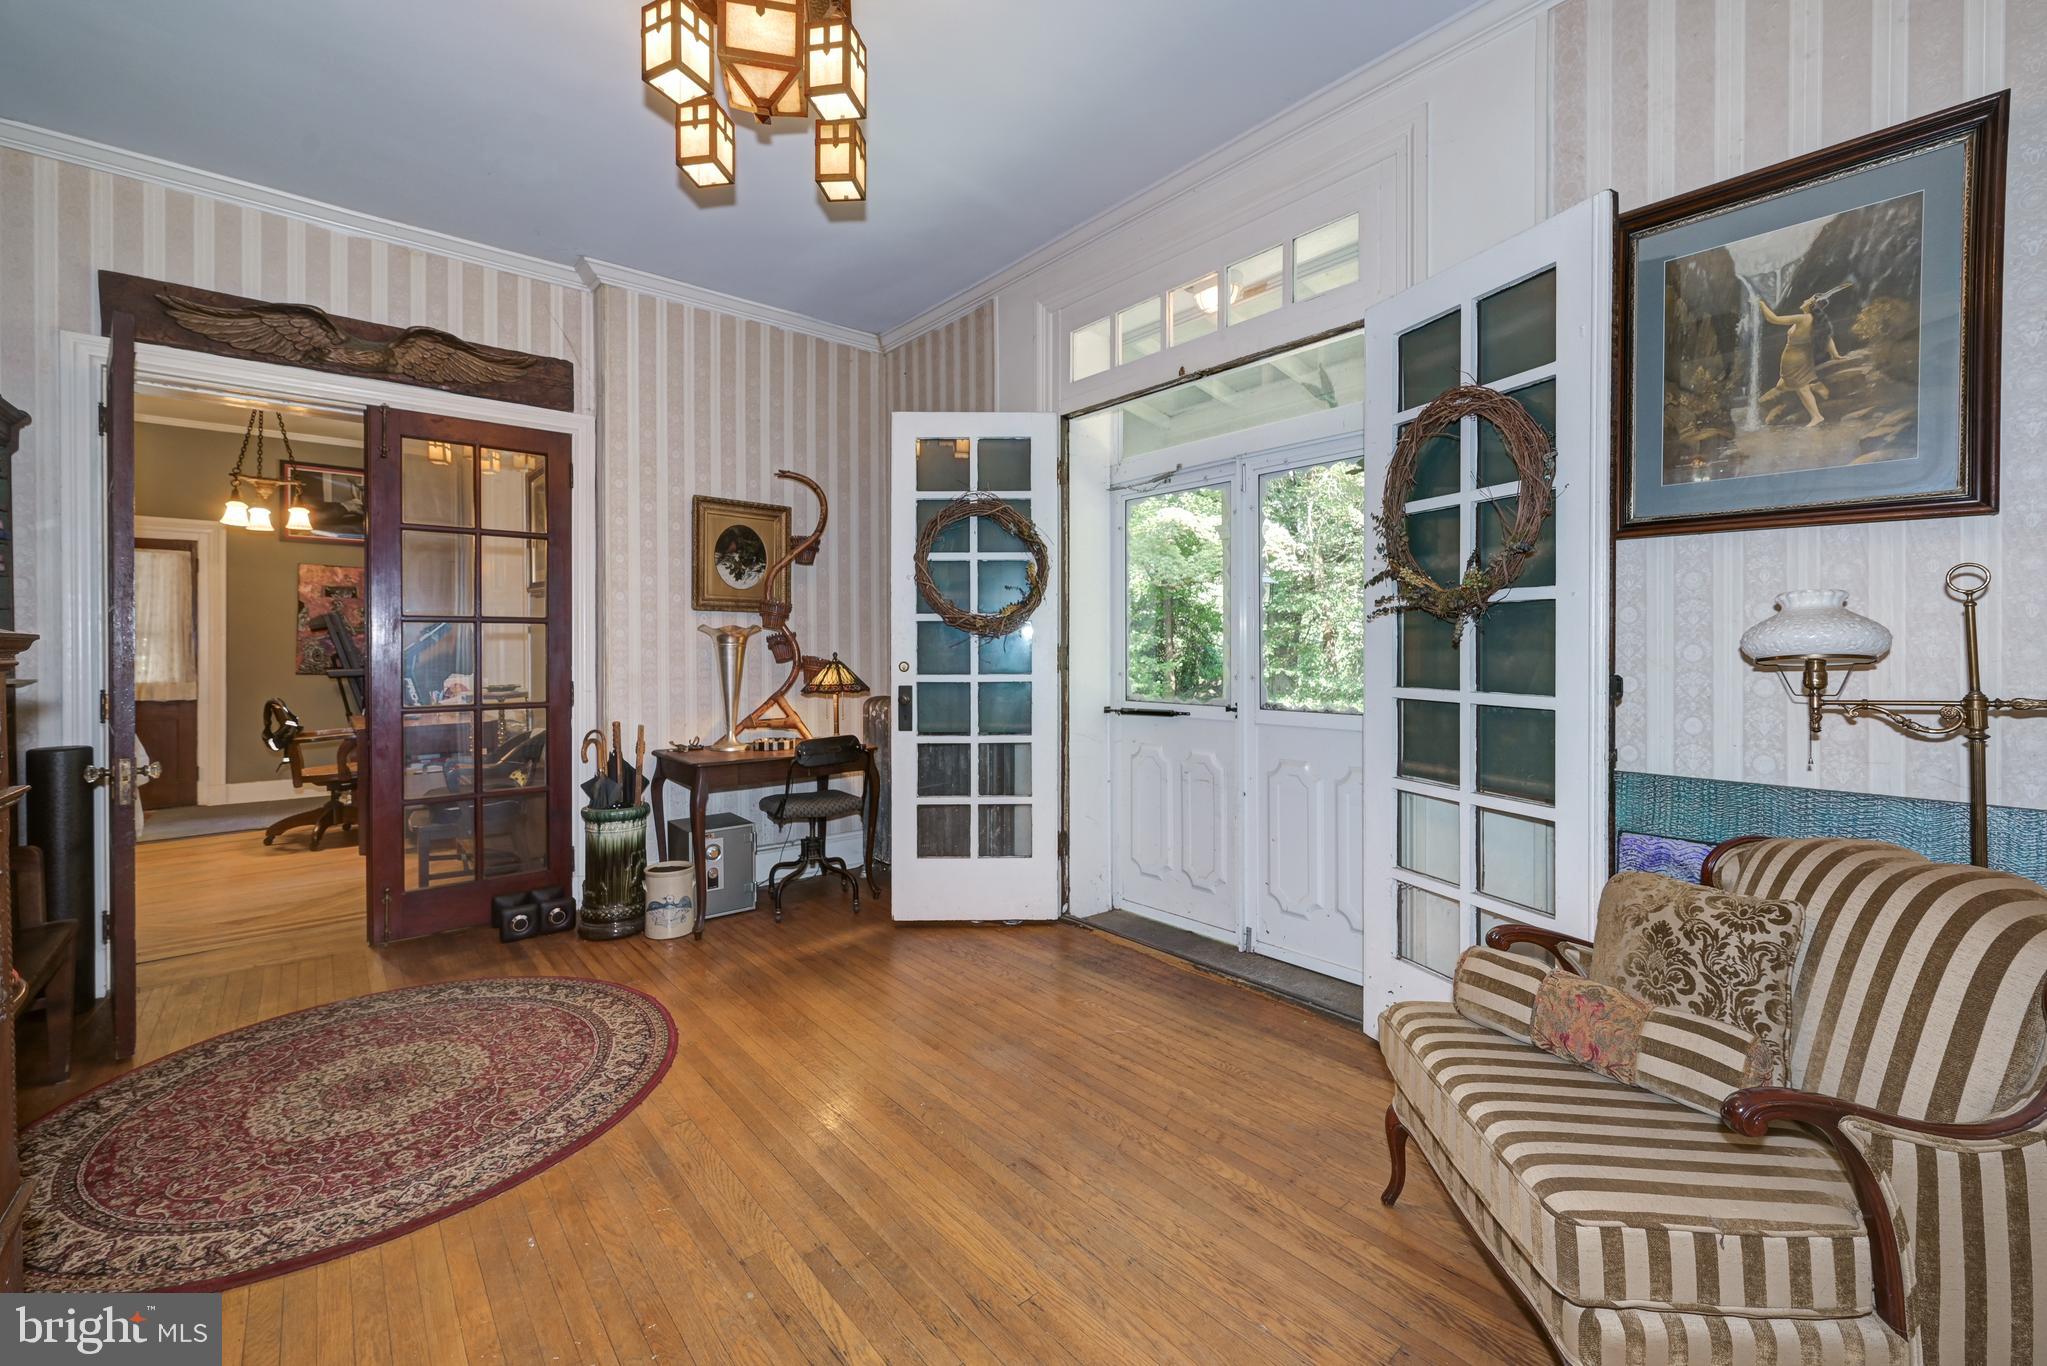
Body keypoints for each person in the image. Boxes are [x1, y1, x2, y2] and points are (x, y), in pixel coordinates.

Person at [1756, 292, 1845, 427]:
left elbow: (1774, 319)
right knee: (1781, 386)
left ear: (1811, 305)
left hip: (1796, 360)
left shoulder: (1803, 319)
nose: (1804, 299)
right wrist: (1835, 354)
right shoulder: (1815, 321)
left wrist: (1761, 304)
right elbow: (1827, 338)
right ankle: (1814, 386)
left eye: (1808, 299)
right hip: (1799, 357)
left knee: (1801, 388)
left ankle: (1816, 416)